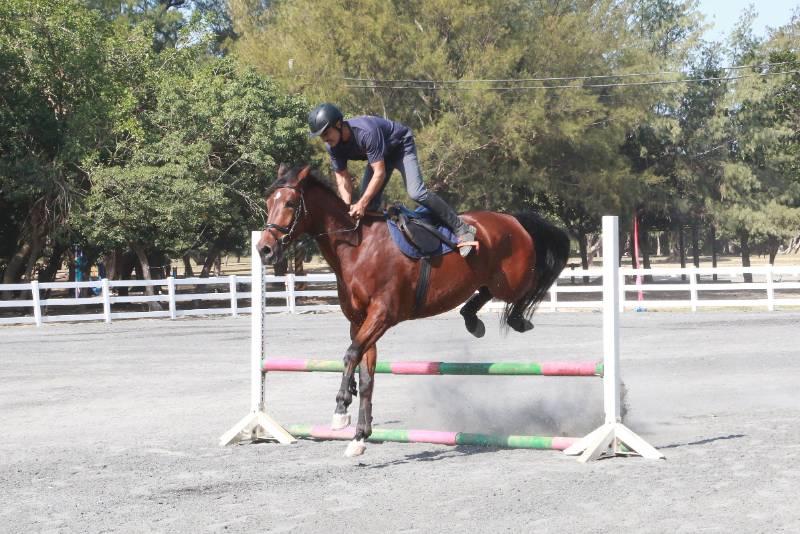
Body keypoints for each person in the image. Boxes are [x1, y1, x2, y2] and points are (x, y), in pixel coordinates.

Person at [308, 103, 477, 256]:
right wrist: (345, 208)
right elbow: (342, 177)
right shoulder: (332, 146)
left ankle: (462, 228)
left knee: (416, 193)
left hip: (401, 147)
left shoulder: (365, 132)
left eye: (326, 133)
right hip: (381, 157)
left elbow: (379, 173)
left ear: (338, 124)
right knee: (368, 207)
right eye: (321, 136)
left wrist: (361, 203)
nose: (324, 139)